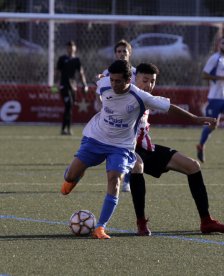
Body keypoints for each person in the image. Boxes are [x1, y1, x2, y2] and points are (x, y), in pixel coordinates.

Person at [60, 60, 216, 239]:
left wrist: (196, 119)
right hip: (96, 139)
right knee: (71, 175)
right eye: (112, 80)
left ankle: (101, 227)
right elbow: (100, 80)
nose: (114, 84)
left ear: (128, 79)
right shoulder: (106, 84)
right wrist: (100, 78)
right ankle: (73, 178)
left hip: (121, 146)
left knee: (115, 179)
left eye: (118, 81)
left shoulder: (140, 96)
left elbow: (170, 108)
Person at [127, 62, 224, 236]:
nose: (149, 85)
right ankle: (141, 223)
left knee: (193, 166)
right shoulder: (126, 92)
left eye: (152, 81)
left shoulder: (147, 97)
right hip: (124, 148)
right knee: (137, 166)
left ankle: (206, 221)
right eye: (145, 80)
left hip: (147, 147)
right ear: (134, 78)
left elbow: (170, 108)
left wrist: (196, 119)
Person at [98, 39, 136, 192]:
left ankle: (127, 180)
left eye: (124, 51)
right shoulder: (107, 73)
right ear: (115, 54)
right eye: (119, 51)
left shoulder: (135, 72)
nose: (121, 54)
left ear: (129, 54)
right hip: (112, 118)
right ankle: (116, 176)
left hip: (132, 117)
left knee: (131, 148)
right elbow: (99, 94)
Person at [55, 40, 88, 135]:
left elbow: (81, 72)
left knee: (69, 107)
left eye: (72, 46)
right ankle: (66, 129)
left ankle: (65, 129)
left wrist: (84, 84)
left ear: (75, 48)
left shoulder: (76, 60)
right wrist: (55, 83)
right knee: (68, 104)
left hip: (73, 87)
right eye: (69, 46)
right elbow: (57, 72)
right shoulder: (62, 59)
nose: (70, 48)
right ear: (67, 48)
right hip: (63, 85)